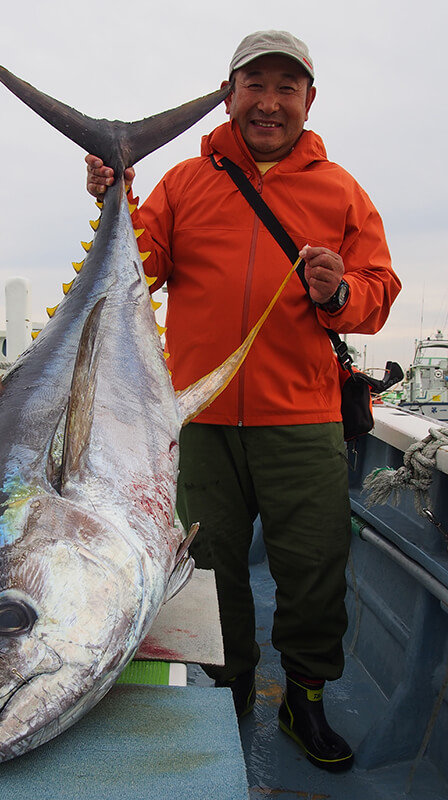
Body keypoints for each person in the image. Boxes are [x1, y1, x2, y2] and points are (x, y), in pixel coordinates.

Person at [85, 30, 401, 772]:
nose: (268, 102)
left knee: (315, 565)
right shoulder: (188, 185)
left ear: (308, 101)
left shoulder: (342, 190)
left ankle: (304, 701)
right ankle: (225, 695)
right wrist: (115, 193)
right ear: (229, 95)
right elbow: (143, 262)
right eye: (254, 84)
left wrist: (341, 291)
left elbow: (379, 292)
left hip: (303, 417)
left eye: (285, 87)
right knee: (212, 567)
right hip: (198, 418)